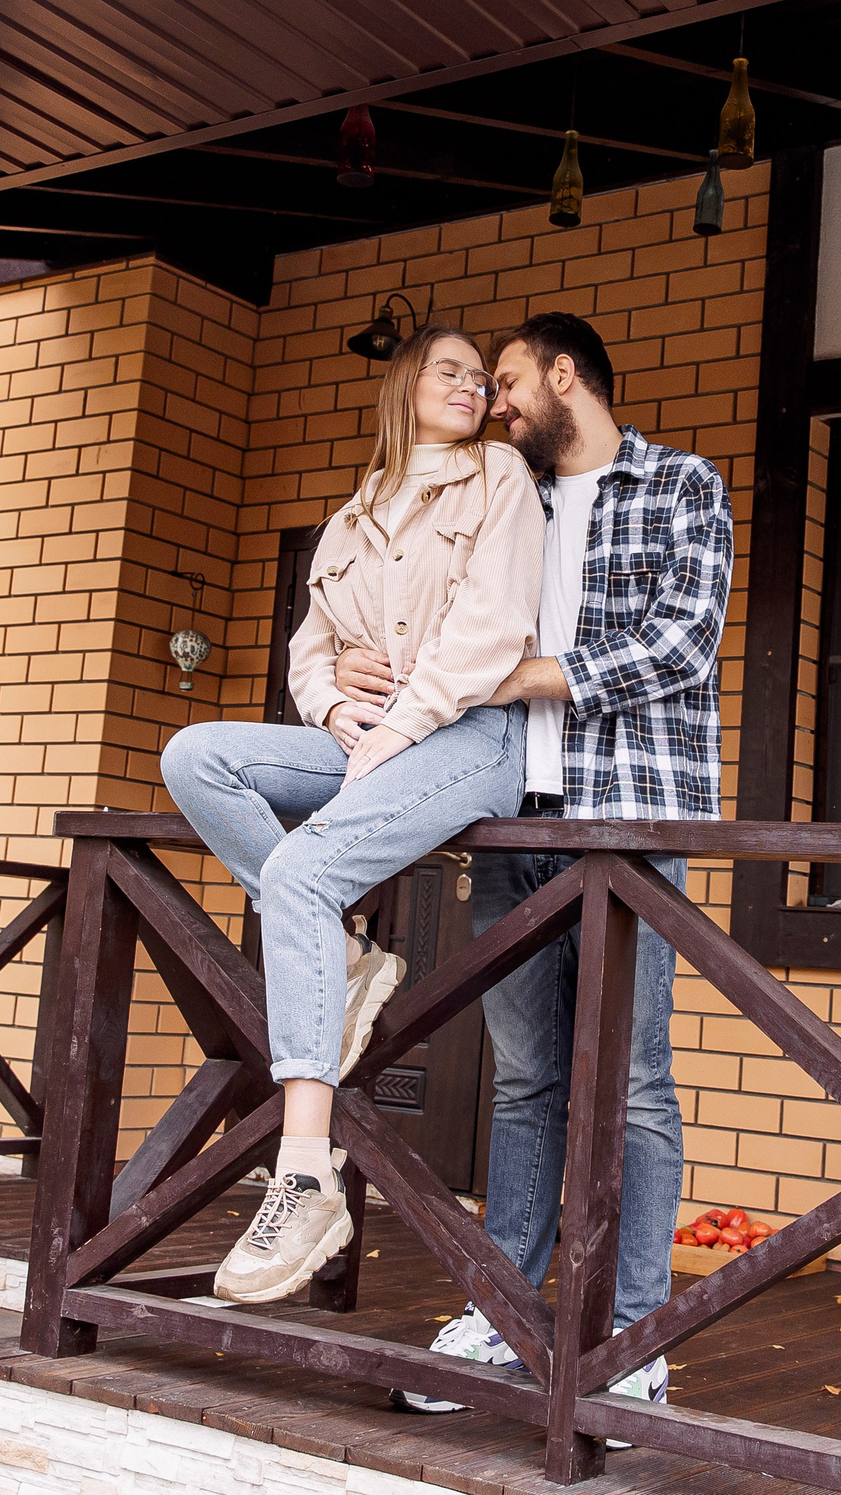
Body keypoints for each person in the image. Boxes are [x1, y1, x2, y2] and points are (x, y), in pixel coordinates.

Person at [335, 312, 733, 1428]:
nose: (497, 405)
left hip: (634, 820)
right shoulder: (506, 499)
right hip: (514, 823)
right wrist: (359, 655)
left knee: (636, 1084)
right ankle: (501, 1313)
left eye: (509, 384)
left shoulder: (684, 486)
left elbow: (679, 644)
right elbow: (429, 619)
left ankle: (631, 1332)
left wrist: (512, 676)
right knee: (526, 1080)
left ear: (566, 376)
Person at [160, 322, 544, 1306]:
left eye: (480, 379)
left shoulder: (497, 477)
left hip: (468, 738)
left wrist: (398, 722)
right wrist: (335, 703)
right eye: (449, 371)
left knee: (298, 871)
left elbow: (493, 628)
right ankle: (340, 960)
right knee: (196, 756)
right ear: (404, 386)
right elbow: (310, 649)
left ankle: (303, 1176)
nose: (470, 388)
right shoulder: (355, 515)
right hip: (369, 740)